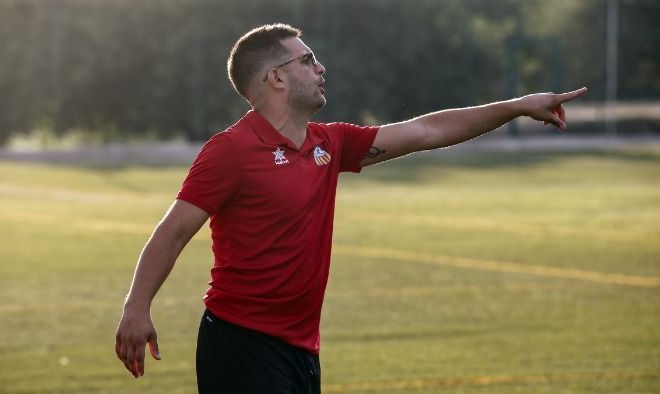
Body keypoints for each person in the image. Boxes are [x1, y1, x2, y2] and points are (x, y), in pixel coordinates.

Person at [115, 23, 587, 393]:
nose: (321, 68)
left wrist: (518, 105)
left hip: (302, 348)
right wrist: (137, 308)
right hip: (242, 344)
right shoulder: (231, 150)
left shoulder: (330, 143)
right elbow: (174, 230)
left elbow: (426, 131)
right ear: (275, 77)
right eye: (307, 59)